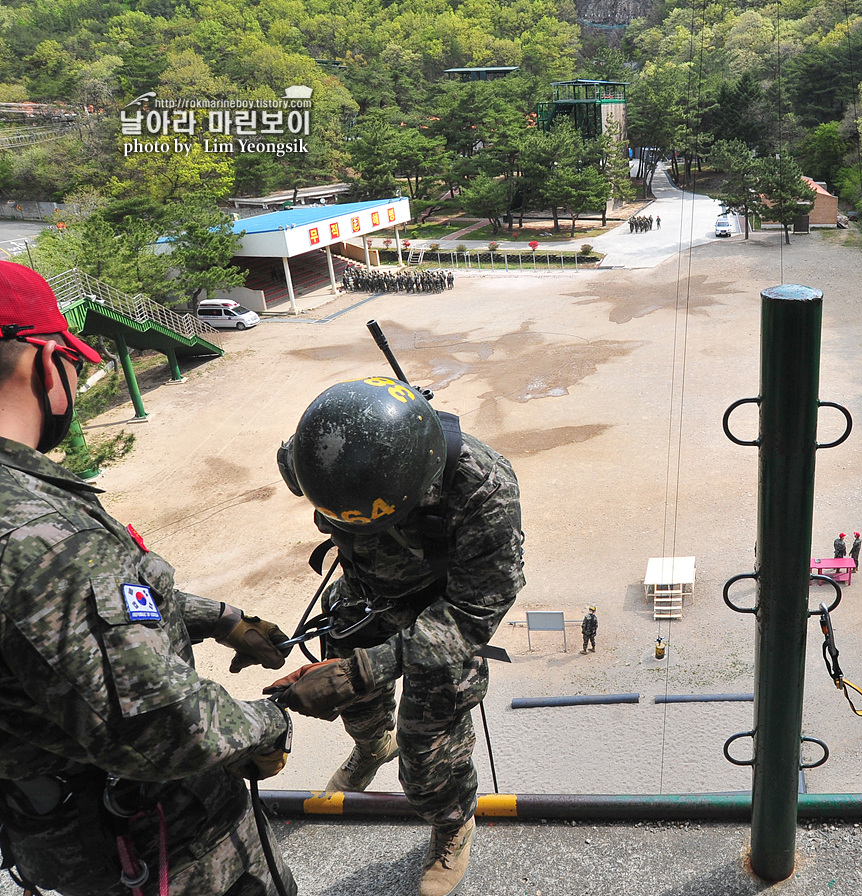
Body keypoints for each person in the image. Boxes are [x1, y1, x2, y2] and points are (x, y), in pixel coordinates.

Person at [0, 261, 297, 896]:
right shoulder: (47, 535)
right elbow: (169, 731)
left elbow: (54, 620)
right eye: (75, 368)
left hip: (48, 835)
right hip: (158, 848)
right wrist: (270, 723)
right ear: (45, 362)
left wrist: (219, 618)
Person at [271, 375, 524, 896]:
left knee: (425, 750)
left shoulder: (484, 487)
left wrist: (363, 669)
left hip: (440, 616)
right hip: (365, 596)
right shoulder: (316, 453)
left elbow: (472, 612)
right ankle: (371, 746)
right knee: (355, 708)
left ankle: (453, 825)